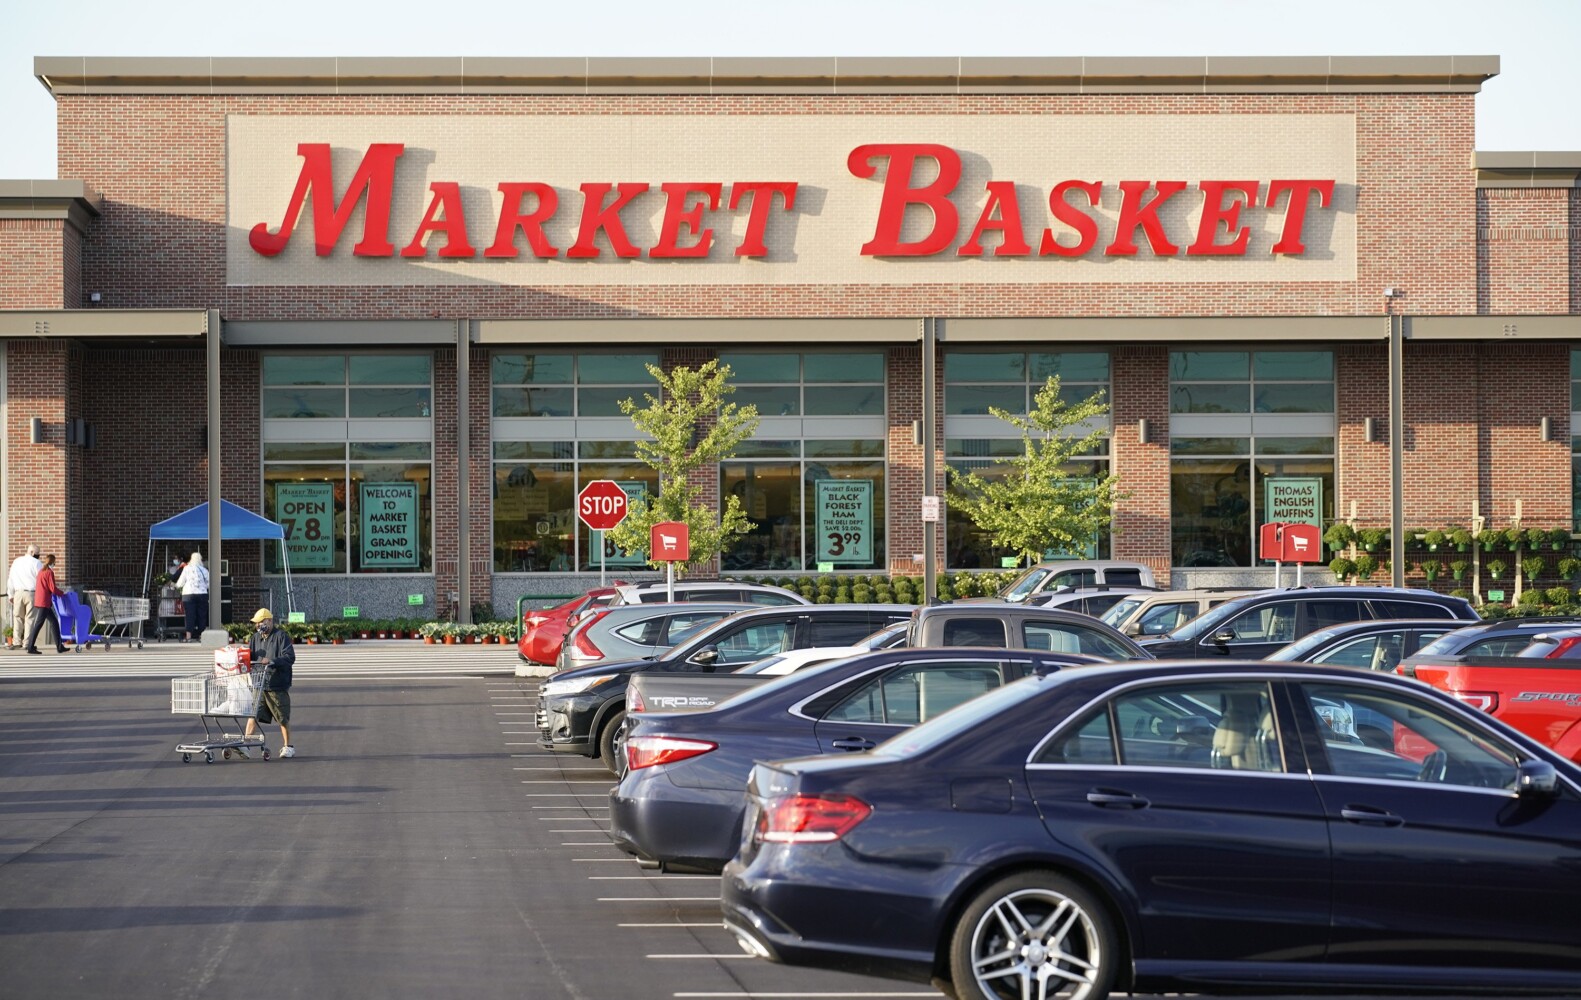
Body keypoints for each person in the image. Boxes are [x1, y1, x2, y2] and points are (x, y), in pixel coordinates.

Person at [243, 608, 297, 758]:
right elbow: (249, 656)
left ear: (269, 620)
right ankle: (246, 745)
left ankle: (288, 746)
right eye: (257, 623)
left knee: (282, 716)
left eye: (261, 622)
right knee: (253, 714)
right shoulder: (255, 638)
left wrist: (272, 661)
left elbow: (289, 657)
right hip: (260, 682)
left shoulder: (281, 637)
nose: (258, 625)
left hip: (276, 683)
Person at [25, 554, 67, 655]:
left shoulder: (41, 572)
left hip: (40, 600)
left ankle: (59, 646)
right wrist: (62, 593)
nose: (55, 564)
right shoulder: (49, 572)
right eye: (54, 563)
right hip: (44, 602)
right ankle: (30, 647)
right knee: (38, 624)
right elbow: (52, 588)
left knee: (54, 622)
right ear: (52, 562)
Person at [7, 544, 41, 650]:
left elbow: (11, 578)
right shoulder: (37, 563)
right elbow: (40, 579)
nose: (38, 556)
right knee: (30, 619)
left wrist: (10, 594)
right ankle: (27, 643)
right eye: (37, 554)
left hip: (18, 592)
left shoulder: (17, 561)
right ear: (31, 552)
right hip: (31, 593)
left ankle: (17, 642)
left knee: (18, 618)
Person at [174, 551, 209, 641]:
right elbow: (209, 584)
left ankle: (188, 636)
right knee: (202, 615)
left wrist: (176, 586)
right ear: (200, 559)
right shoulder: (204, 570)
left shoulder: (187, 568)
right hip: (202, 594)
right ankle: (202, 636)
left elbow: (180, 583)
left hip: (188, 594)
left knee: (190, 615)